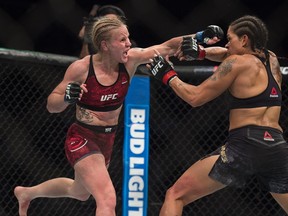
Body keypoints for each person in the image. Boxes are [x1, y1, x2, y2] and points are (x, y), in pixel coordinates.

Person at [14, 16, 223, 216]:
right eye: (122, 40)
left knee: (80, 192)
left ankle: (27, 193)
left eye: (128, 38)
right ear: (105, 45)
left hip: (107, 139)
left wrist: (199, 36)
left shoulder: (130, 62)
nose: (128, 44)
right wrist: (67, 98)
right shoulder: (81, 68)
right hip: (82, 138)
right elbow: (52, 106)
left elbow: (167, 46)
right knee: (107, 199)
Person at [147, 15, 288, 215]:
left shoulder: (236, 63)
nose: (227, 45)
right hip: (276, 146)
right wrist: (201, 53)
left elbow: (195, 97)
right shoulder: (271, 58)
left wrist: (168, 75)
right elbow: (225, 54)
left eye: (230, 39)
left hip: (244, 145)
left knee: (175, 195)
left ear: (245, 39)